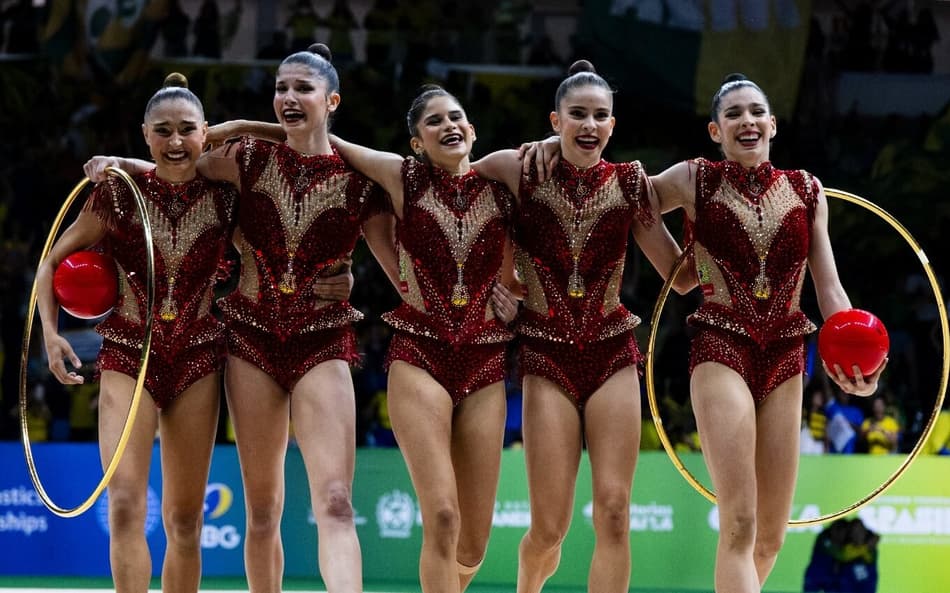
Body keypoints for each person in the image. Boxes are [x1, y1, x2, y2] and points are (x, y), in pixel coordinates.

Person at [86, 45, 396, 593]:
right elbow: (176, 168)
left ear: (332, 100)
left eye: (303, 89)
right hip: (249, 342)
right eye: (281, 88)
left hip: (322, 340)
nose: (288, 97)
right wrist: (123, 165)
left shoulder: (359, 178)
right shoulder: (245, 159)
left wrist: (487, 293)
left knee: (336, 502)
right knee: (262, 512)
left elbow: (402, 274)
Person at [647, 73, 886, 593]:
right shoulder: (694, 178)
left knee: (770, 538)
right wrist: (676, 270)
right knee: (740, 521)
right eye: (733, 114)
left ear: (773, 124)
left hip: (785, 356)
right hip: (721, 346)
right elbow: (630, 201)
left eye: (756, 111)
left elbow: (829, 288)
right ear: (716, 131)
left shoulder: (807, 190)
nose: (746, 120)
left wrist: (855, 362)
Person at [474, 60, 693, 593]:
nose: (589, 125)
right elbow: (450, 186)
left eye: (600, 116)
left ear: (613, 125)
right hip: (546, 358)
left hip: (612, 354)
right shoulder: (519, 171)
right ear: (556, 120)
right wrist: (496, 280)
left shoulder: (630, 184)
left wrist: (718, 238)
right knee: (550, 530)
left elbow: (682, 277)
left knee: (614, 512)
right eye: (577, 115)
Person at [39, 73, 237, 593]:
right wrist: (51, 334)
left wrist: (340, 276)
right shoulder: (117, 196)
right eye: (163, 131)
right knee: (125, 503)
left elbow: (281, 247)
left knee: (185, 520)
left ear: (206, 133)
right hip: (128, 355)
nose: (176, 142)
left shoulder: (227, 195)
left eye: (188, 130)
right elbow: (50, 261)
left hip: (197, 360)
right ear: (145, 134)